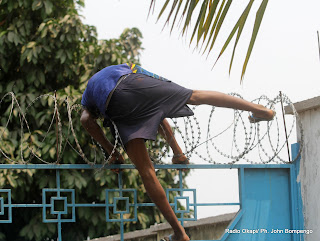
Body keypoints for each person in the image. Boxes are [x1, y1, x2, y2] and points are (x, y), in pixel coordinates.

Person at [80, 63, 275, 241]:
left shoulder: (88, 97)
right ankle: (259, 110)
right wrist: (178, 152)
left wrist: (112, 153)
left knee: (147, 173)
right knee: (195, 96)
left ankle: (180, 233)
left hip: (115, 103)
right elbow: (157, 111)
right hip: (136, 81)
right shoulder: (124, 67)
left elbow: (85, 120)